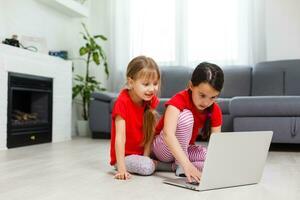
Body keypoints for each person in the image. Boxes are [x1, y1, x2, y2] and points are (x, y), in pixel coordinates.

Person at [151, 62, 224, 183]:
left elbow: (218, 145)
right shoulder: (178, 100)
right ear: (191, 85)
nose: (206, 102)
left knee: (211, 157)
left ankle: (171, 166)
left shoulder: (214, 109)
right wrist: (186, 164)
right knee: (186, 116)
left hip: (184, 148)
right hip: (163, 147)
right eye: (202, 95)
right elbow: (168, 135)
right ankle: (181, 165)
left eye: (213, 97)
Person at [110, 55, 160, 180]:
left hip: (142, 155)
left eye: (155, 83)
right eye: (146, 84)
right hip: (124, 158)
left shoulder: (150, 100)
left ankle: (165, 163)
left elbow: (150, 132)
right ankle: (166, 165)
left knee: (166, 151)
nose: (151, 89)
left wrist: (146, 156)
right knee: (146, 166)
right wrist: (121, 168)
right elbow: (119, 138)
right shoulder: (122, 102)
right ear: (131, 82)